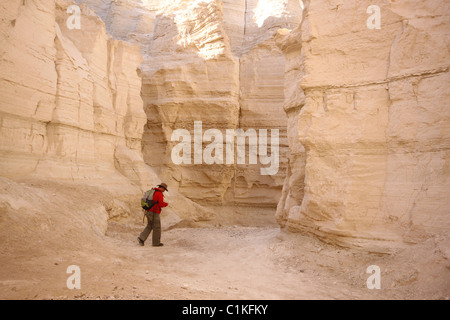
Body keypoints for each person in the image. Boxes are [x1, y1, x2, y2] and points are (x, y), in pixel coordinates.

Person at [138, 183, 169, 247]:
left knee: (150, 225)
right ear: (162, 188)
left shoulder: (153, 191)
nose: (164, 191)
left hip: (148, 211)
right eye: (164, 189)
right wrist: (166, 204)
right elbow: (160, 204)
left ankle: (141, 238)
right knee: (157, 227)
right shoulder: (159, 193)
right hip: (154, 212)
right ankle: (156, 243)